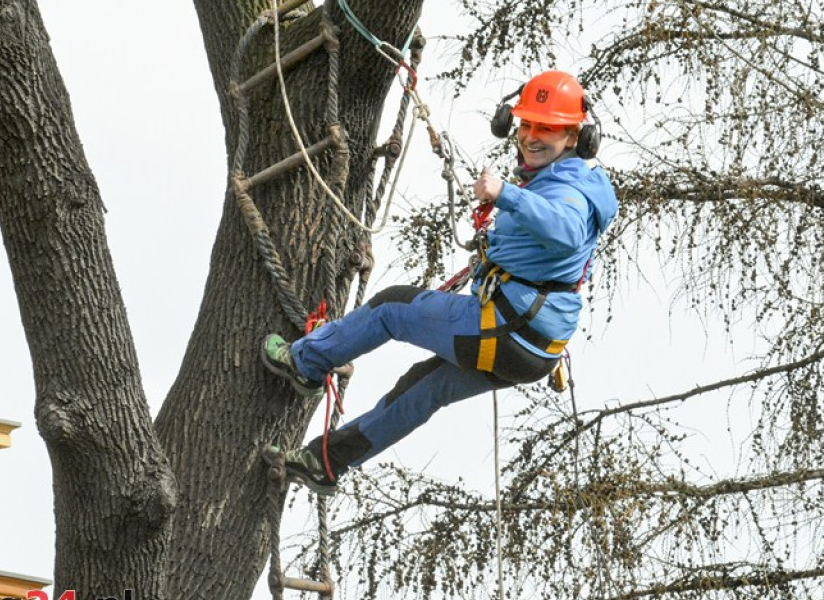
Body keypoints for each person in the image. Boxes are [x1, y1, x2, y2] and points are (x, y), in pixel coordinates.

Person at [262, 70, 619, 496]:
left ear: (578, 137)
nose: (531, 137)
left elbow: (566, 231)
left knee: (392, 309)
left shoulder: (570, 192)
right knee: (424, 388)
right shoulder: (572, 181)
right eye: (526, 125)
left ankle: (305, 364)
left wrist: (505, 194)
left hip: (506, 328)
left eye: (547, 129)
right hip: (535, 350)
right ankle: (325, 463)